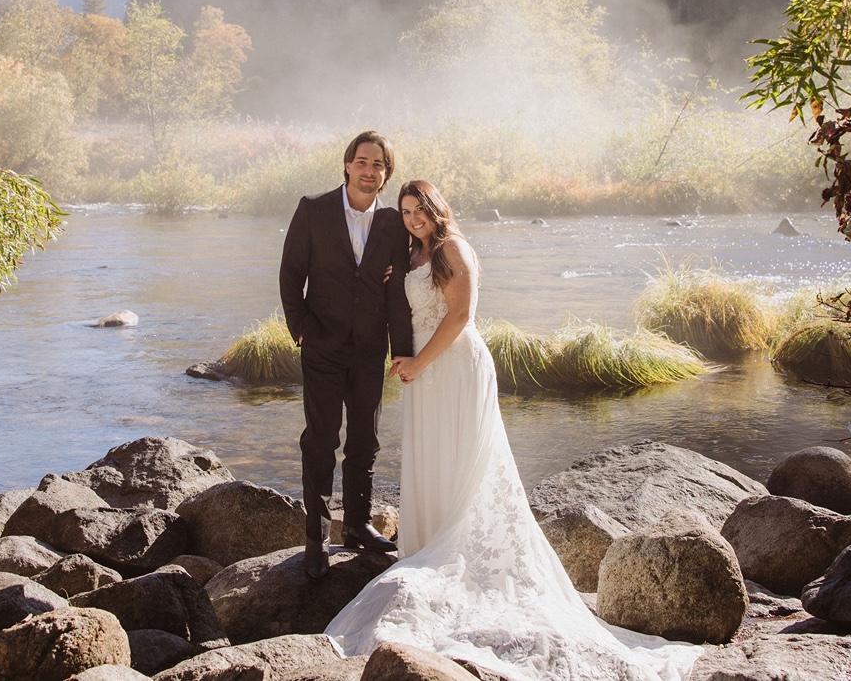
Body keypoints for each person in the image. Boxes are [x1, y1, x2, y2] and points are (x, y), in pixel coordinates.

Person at [324, 180, 702, 681]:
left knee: (464, 457)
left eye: (421, 210)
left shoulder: (453, 248)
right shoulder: (413, 253)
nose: (413, 219)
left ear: (437, 209)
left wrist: (419, 362)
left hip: (453, 364)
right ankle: (430, 540)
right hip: (424, 373)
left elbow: (461, 315)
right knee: (432, 456)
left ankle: (461, 549)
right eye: (407, 211)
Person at [280, 130, 414, 579]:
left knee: (364, 442)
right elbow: (290, 273)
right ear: (347, 164)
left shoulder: (394, 222)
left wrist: (403, 350)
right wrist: (301, 330)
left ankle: (357, 525)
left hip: (371, 349)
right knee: (320, 443)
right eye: (362, 162)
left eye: (378, 165)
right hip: (322, 345)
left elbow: (397, 290)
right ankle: (317, 538)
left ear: (386, 174)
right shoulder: (313, 208)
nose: (369, 171)